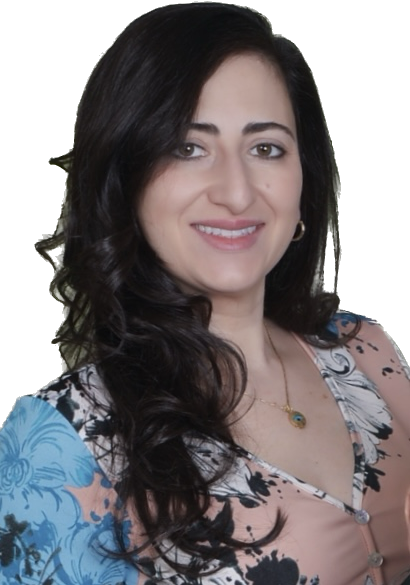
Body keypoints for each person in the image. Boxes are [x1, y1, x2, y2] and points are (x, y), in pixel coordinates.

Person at [0, 4, 409, 584]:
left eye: (266, 148)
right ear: (127, 180)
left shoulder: (366, 352)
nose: (237, 193)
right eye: (188, 148)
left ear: (304, 177)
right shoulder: (64, 439)